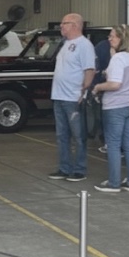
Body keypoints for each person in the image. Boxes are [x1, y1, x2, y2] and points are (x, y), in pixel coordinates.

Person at [92, 25, 129, 193]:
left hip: (117, 105)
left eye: (112, 36)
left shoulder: (118, 59)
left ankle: (114, 183)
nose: (109, 39)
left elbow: (115, 84)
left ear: (122, 39)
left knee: (113, 144)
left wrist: (98, 87)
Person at [48, 12, 95, 182]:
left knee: (78, 136)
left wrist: (84, 92)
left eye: (64, 23)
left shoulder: (84, 45)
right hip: (59, 96)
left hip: (73, 98)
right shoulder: (65, 44)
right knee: (62, 135)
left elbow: (89, 70)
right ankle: (64, 168)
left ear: (75, 25)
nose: (61, 26)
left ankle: (79, 169)